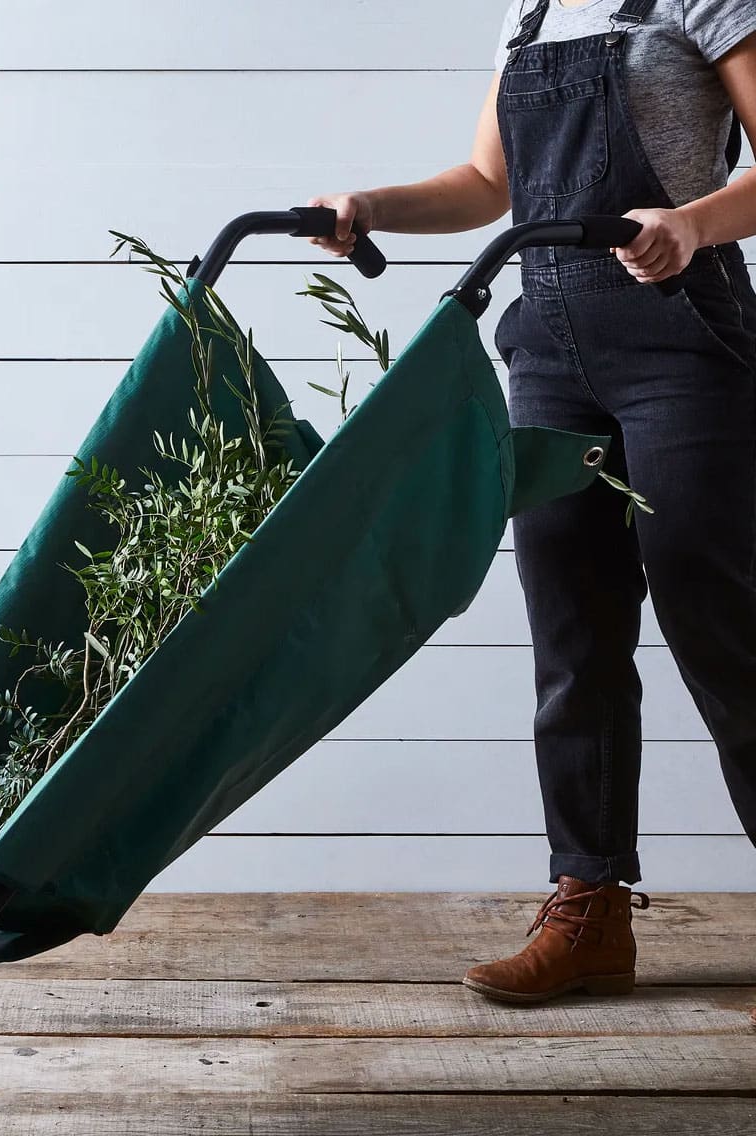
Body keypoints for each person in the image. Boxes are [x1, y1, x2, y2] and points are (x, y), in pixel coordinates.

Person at [309, 0, 756, 1009]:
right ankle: (587, 905)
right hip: (548, 355)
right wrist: (366, 205)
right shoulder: (531, 11)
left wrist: (690, 222)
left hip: (679, 348)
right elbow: (485, 185)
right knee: (572, 640)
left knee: (724, 637)